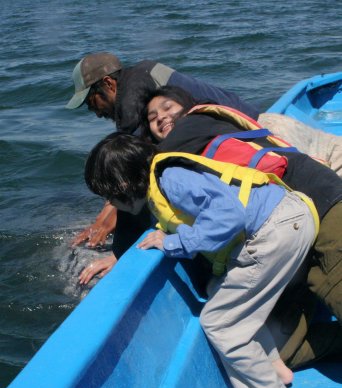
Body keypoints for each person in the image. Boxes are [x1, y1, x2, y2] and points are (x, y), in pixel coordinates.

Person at [84, 134, 317, 388]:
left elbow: (230, 215)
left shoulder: (171, 180)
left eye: (109, 196)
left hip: (276, 229)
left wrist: (175, 242)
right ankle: (274, 367)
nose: (111, 204)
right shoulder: (163, 178)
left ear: (123, 184)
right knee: (218, 289)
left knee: (220, 324)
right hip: (287, 220)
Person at [66, 52, 260, 282]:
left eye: (91, 103)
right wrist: (108, 210)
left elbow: (140, 173)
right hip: (247, 126)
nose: (96, 113)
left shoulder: (131, 104)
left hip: (243, 144)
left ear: (108, 84)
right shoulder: (141, 76)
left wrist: (121, 253)